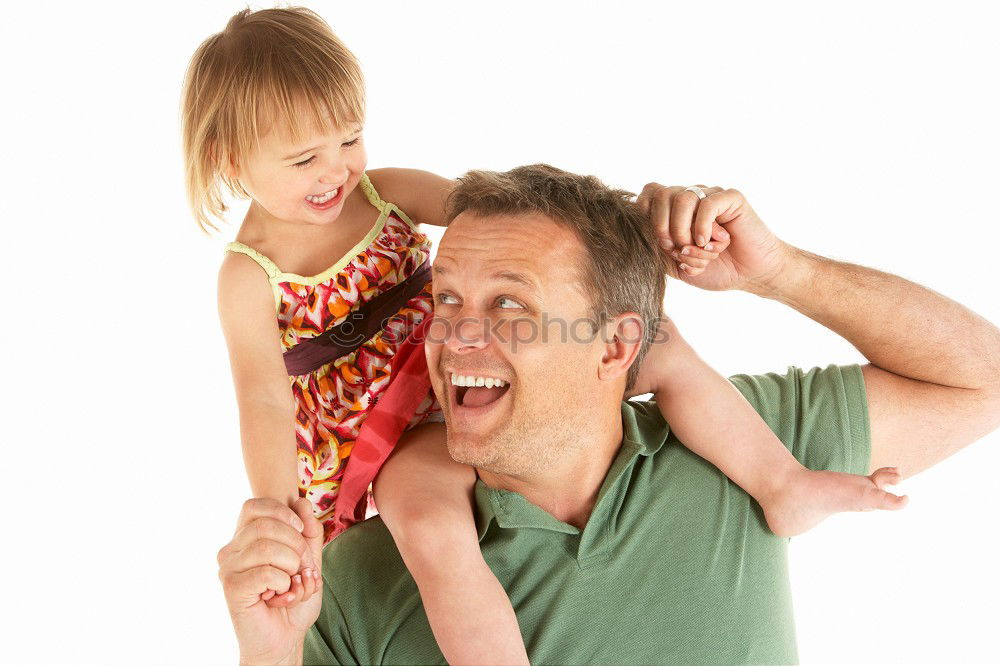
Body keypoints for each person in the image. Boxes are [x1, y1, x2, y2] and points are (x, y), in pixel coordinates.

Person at [189, 8, 903, 663]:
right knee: (437, 538)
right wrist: (280, 511)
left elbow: (511, 216)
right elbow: (264, 402)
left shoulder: (381, 188)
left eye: (350, 138)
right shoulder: (248, 276)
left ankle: (781, 482)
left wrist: (628, 223)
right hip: (388, 429)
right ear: (227, 159)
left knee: (662, 345)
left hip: (455, 359)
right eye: (304, 158)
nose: (337, 169)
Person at [216, 164, 1000, 665]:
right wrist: (269, 653)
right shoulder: (357, 577)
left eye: (510, 304)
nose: (454, 336)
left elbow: (984, 381)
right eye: (446, 299)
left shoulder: (739, 447)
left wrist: (780, 272)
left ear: (617, 344)